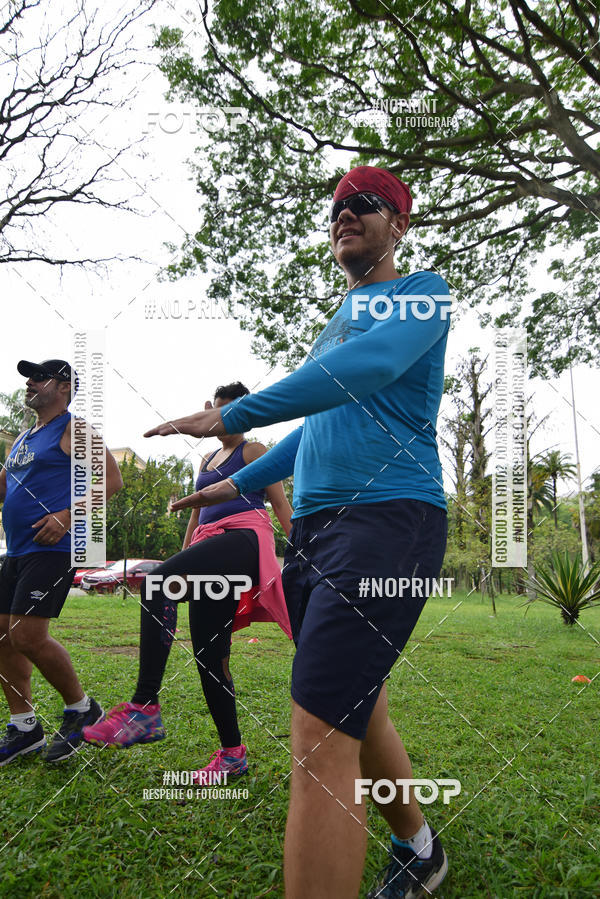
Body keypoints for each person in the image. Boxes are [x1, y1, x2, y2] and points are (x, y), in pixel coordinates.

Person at [142, 167, 452, 898]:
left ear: (399, 224)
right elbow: (314, 432)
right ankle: (420, 847)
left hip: (386, 522)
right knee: (358, 704)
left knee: (318, 732)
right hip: (315, 531)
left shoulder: (422, 293)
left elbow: (366, 369)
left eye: (367, 204)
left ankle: (413, 847)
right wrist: (231, 482)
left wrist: (234, 415)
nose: (347, 213)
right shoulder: (332, 327)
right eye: (338, 206)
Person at [83, 382, 293, 779]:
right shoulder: (207, 460)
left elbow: (280, 503)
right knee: (210, 659)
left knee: (157, 583)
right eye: (221, 410)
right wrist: (177, 559)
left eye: (238, 411)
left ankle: (144, 707)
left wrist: (303, 551)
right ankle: (233, 755)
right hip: (209, 550)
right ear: (210, 412)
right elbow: (196, 517)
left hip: (243, 540)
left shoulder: (255, 452)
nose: (228, 418)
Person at [0, 359, 123, 765]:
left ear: (64, 387)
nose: (29, 383)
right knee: (2, 635)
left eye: (38, 377)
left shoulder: (74, 428)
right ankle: (24, 727)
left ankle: (81, 708)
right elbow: (6, 488)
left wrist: (68, 515)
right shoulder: (22, 438)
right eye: (27, 377)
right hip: (17, 549)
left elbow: (111, 480)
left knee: (26, 635)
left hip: (53, 547)